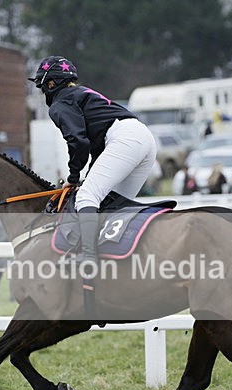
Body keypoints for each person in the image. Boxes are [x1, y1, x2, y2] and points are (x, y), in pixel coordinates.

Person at [29, 55, 156, 267]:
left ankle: (88, 257)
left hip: (124, 138)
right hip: (143, 139)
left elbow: (78, 142)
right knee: (112, 203)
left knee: (87, 196)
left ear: (51, 84)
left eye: (43, 87)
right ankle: (116, 259)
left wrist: (73, 177)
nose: (43, 93)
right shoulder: (81, 94)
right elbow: (96, 149)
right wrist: (85, 176)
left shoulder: (60, 103)